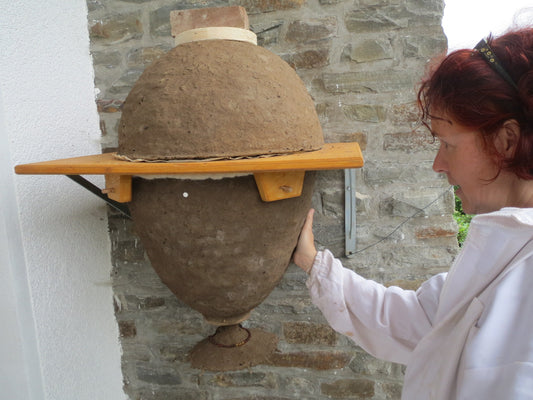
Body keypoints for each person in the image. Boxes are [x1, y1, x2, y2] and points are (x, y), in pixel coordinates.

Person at [293, 27, 533, 399]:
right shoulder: (507, 251)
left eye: (448, 144)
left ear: (507, 140)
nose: (438, 164)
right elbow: (419, 319)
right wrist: (312, 262)